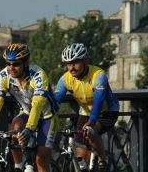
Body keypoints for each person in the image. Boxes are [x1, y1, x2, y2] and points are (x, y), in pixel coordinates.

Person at [0, 43, 56, 172]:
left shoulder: (38, 75)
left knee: (41, 159)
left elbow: (38, 104)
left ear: (25, 62)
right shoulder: (4, 76)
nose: (11, 68)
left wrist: (29, 129)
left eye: (16, 64)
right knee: (15, 130)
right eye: (8, 63)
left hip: (46, 115)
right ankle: (19, 166)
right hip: (27, 112)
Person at [51, 43, 120, 171]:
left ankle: (102, 160)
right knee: (79, 149)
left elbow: (99, 100)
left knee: (90, 131)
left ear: (85, 61)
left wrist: (93, 120)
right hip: (86, 112)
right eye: (68, 63)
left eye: (75, 63)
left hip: (108, 111)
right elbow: (55, 102)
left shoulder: (98, 75)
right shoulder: (65, 79)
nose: (72, 68)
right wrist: (46, 118)